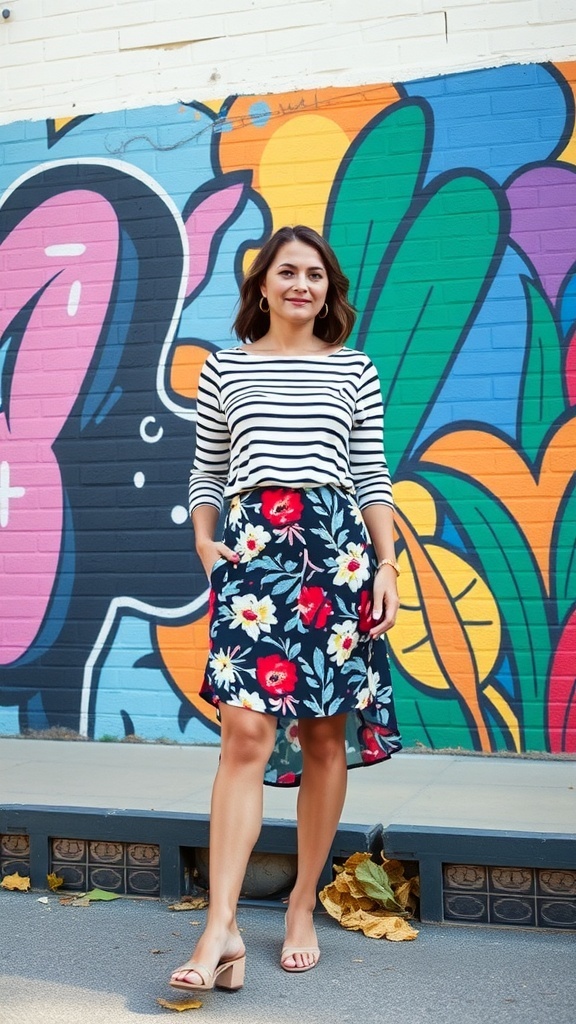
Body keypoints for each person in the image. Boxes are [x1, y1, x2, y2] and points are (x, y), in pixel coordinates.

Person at [170, 225, 402, 993]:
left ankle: (302, 903)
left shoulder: (354, 369)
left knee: (325, 736)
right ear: (262, 286)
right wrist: (205, 543)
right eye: (287, 272)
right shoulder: (225, 368)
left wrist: (387, 567)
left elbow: (371, 474)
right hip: (252, 555)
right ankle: (221, 927)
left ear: (328, 290)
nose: (302, 284)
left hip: (335, 555)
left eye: (315, 274)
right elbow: (206, 471)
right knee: (244, 732)